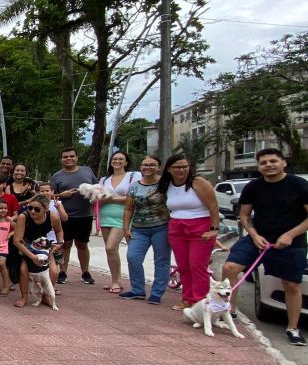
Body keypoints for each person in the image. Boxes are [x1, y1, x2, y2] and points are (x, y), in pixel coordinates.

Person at [222, 148, 308, 346]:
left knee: (291, 285)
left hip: (291, 242)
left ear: (283, 162)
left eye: (273, 161)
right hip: (258, 238)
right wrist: (254, 235)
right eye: (263, 163)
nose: (268, 165)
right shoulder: (254, 186)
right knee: (229, 268)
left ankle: (293, 328)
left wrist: (290, 235)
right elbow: (244, 216)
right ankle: (229, 313)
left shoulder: (299, 185)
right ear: (258, 167)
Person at [159, 153, 220, 310]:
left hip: (200, 227)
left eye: (184, 167)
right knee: (183, 266)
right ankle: (187, 298)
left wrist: (214, 230)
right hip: (176, 228)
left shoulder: (198, 182)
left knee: (197, 266)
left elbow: (213, 206)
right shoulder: (167, 184)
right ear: (169, 169)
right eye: (177, 167)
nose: (181, 170)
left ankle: (200, 302)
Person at [119, 155, 170, 304]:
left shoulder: (166, 184)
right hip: (139, 229)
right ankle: (137, 290)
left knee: (161, 261)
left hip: (162, 227)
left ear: (159, 168)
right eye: (144, 165)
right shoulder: (134, 185)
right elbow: (128, 208)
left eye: (152, 165)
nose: (148, 167)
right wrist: (126, 228)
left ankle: (157, 293)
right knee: (133, 257)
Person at [49, 147, 98, 285]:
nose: (69, 159)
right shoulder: (57, 176)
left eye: (71, 156)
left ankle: (85, 272)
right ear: (61, 159)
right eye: (65, 157)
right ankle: (63, 271)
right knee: (65, 244)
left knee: (82, 244)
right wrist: (61, 195)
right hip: (65, 215)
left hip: (85, 215)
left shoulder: (87, 171)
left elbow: (97, 188)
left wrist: (90, 193)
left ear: (77, 157)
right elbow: (48, 195)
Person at [98, 151, 141, 294]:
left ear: (126, 162)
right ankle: (115, 280)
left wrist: (112, 198)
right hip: (105, 215)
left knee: (110, 247)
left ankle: (118, 281)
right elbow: (97, 197)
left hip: (124, 216)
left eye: (121, 159)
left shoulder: (133, 176)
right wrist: (112, 198)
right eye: (114, 159)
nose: (117, 161)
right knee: (111, 251)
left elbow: (135, 196)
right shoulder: (104, 179)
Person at [12, 194, 64, 308]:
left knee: (54, 271)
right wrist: (32, 257)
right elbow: (17, 241)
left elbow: (59, 231)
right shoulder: (23, 217)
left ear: (45, 209)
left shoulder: (52, 217)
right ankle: (24, 296)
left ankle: (45, 296)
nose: (32, 211)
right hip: (26, 245)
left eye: (37, 209)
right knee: (23, 270)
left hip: (43, 245)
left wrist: (59, 243)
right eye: (30, 207)